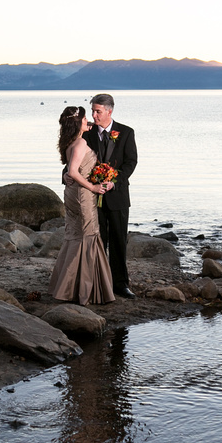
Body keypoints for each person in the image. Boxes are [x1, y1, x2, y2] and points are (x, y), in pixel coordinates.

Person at [48, 106, 115, 305]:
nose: (89, 121)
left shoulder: (70, 141)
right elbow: (74, 172)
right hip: (82, 195)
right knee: (88, 236)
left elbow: (70, 171)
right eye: (86, 119)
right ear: (78, 123)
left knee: (75, 236)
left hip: (74, 194)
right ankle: (85, 290)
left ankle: (68, 286)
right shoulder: (80, 143)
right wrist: (94, 187)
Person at [84, 93, 137, 298]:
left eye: (98, 111)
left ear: (109, 111)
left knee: (118, 240)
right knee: (98, 241)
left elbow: (130, 162)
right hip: (93, 196)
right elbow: (76, 158)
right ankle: (99, 283)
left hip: (118, 196)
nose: (94, 115)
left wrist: (113, 182)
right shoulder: (86, 133)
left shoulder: (126, 132)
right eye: (93, 111)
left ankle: (121, 284)